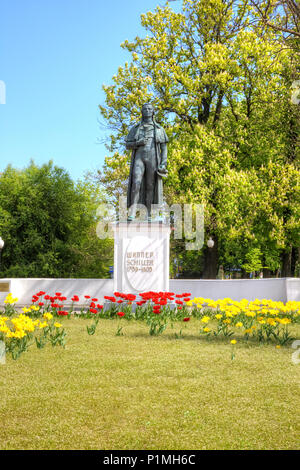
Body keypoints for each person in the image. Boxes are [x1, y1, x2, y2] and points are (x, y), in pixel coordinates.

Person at [125, 103, 168, 221]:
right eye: (145, 109)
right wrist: (137, 143)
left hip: (153, 159)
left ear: (153, 112)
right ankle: (132, 213)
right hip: (139, 158)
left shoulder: (159, 129)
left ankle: (148, 214)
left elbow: (164, 148)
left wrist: (163, 163)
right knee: (136, 183)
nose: (147, 110)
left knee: (150, 186)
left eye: (150, 109)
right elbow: (127, 145)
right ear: (142, 111)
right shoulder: (135, 128)